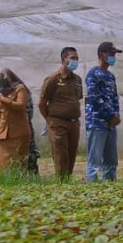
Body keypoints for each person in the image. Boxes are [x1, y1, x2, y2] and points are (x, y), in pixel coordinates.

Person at [39, 47, 83, 180]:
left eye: (77, 58)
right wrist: (49, 120)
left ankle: (67, 182)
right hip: (57, 123)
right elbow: (42, 103)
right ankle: (61, 183)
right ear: (63, 60)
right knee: (61, 157)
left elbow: (78, 99)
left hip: (74, 123)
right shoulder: (53, 79)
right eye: (72, 58)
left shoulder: (77, 80)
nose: (75, 61)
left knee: (71, 156)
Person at [85, 41, 122, 182]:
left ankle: (110, 185)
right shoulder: (93, 74)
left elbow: (114, 98)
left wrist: (116, 115)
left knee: (111, 161)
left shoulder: (110, 76)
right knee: (94, 161)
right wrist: (110, 115)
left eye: (114, 54)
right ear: (102, 54)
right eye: (111, 54)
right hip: (97, 123)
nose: (113, 57)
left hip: (110, 125)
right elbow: (94, 98)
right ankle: (92, 187)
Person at [0, 68, 31, 171]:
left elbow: (21, 105)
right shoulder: (1, 93)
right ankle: (6, 184)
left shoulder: (20, 89)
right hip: (3, 134)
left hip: (18, 132)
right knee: (3, 165)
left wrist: (3, 99)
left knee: (18, 162)